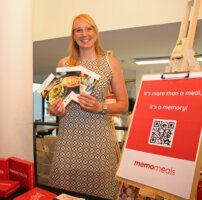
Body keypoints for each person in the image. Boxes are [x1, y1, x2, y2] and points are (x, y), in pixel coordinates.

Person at [48, 14, 128, 199]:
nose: (84, 33)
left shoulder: (110, 64)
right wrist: (55, 110)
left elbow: (124, 105)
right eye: (78, 29)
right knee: (66, 192)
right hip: (69, 139)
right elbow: (56, 102)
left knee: (99, 192)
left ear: (96, 32)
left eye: (88, 28)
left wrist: (101, 108)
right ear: (73, 35)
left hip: (99, 142)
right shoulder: (64, 63)